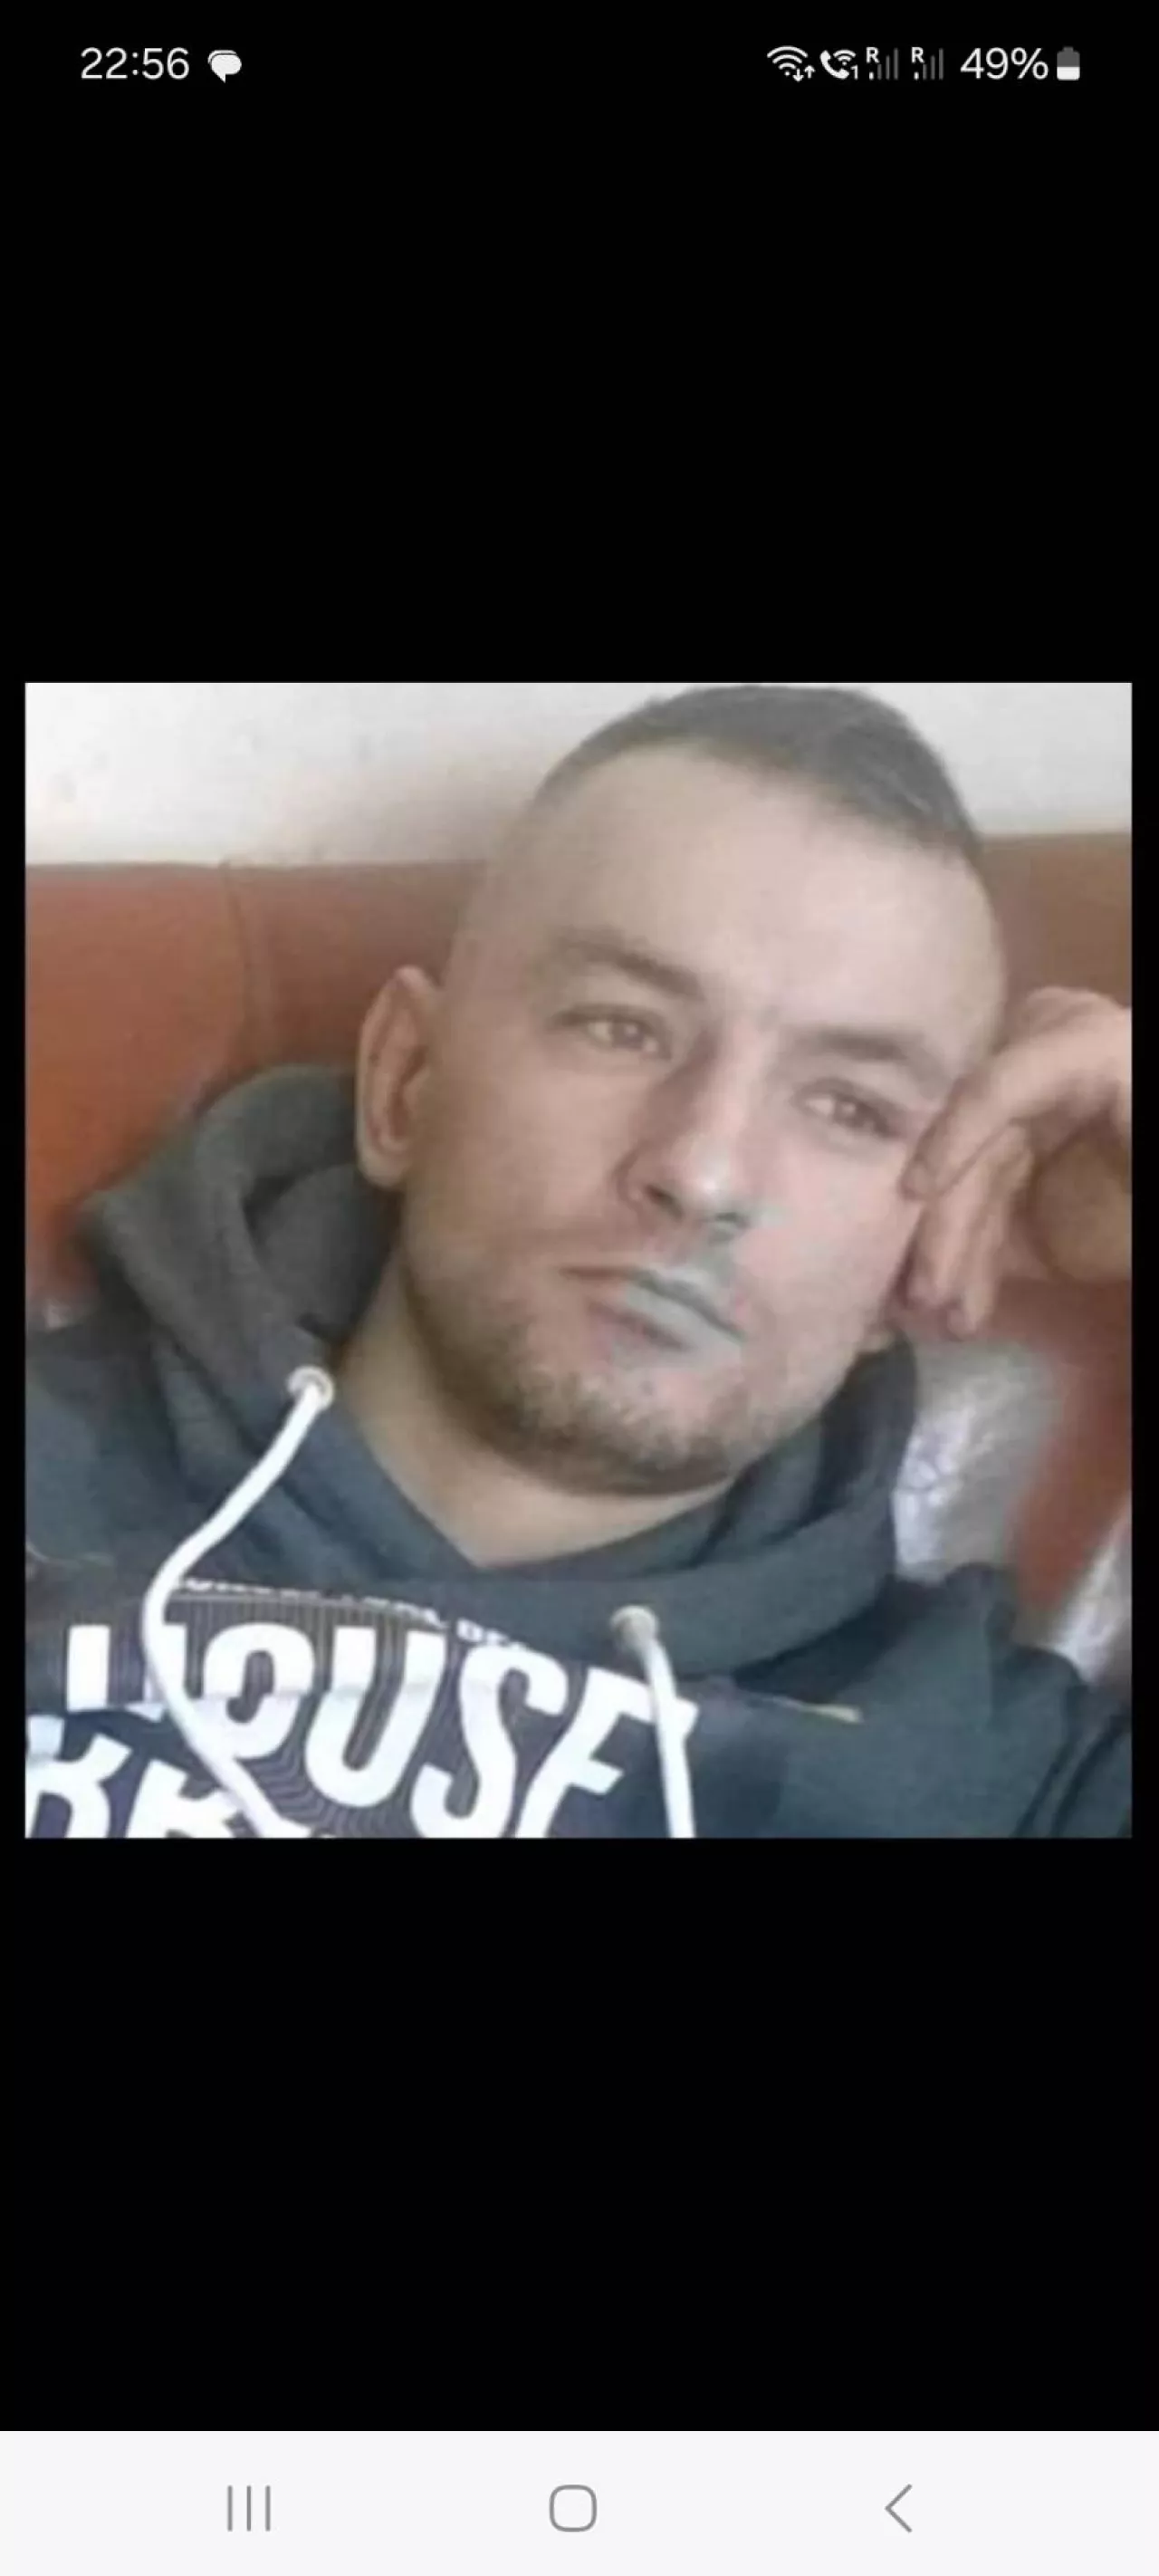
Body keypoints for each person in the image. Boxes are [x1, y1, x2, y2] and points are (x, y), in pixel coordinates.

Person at [25, 684, 1132, 1838]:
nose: (702, 1172)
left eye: (847, 1106)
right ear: (404, 1084)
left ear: (934, 1222)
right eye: (622, 1028)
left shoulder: (994, 1771)